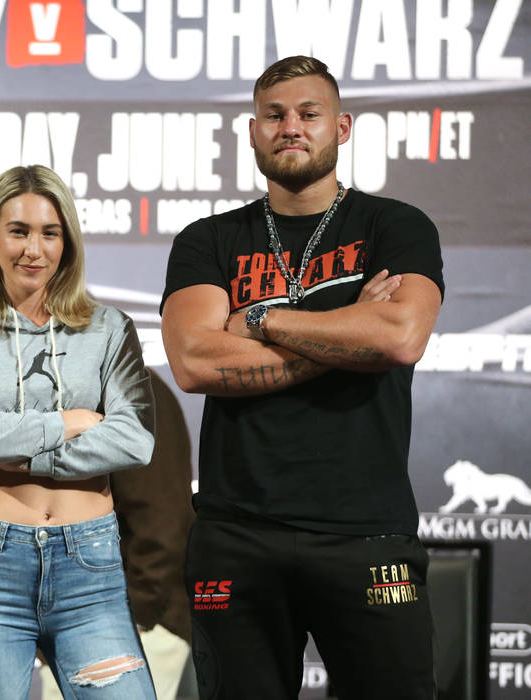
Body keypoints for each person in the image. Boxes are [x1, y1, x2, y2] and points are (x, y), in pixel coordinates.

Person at [160, 55, 443, 700]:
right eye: (275, 115)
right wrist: (349, 330)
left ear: (340, 128)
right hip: (236, 536)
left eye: (309, 114)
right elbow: (195, 360)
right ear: (253, 131)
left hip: (366, 535)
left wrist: (256, 319)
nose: (292, 127)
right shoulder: (208, 240)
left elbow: (399, 337)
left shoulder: (394, 226)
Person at [0, 164, 157, 699]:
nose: (34, 248)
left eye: (50, 233)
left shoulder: (108, 328)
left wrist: (13, 451)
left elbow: (134, 438)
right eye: (19, 231)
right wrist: (70, 422)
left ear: (68, 242)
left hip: (89, 568)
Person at [40, 368, 195, 700]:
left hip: (129, 623)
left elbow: (161, 519)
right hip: (80, 621)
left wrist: (135, 616)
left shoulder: (130, 389)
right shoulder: (64, 383)